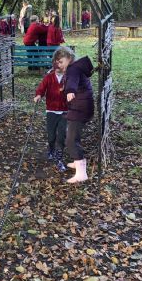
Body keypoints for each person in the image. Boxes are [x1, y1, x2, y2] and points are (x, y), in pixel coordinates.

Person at [54, 46, 94, 183]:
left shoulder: (73, 69)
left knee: (70, 141)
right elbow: (74, 81)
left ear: (69, 58)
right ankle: (78, 163)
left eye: (61, 61)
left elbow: (73, 81)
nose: (59, 65)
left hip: (80, 109)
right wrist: (65, 89)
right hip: (82, 107)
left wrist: (70, 90)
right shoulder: (76, 68)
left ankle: (81, 173)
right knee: (73, 136)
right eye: (57, 63)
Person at [34, 63, 68, 172]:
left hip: (65, 111)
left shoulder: (68, 78)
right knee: (51, 136)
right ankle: (51, 149)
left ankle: (59, 159)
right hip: (51, 111)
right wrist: (38, 95)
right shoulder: (49, 77)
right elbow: (41, 88)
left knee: (62, 136)